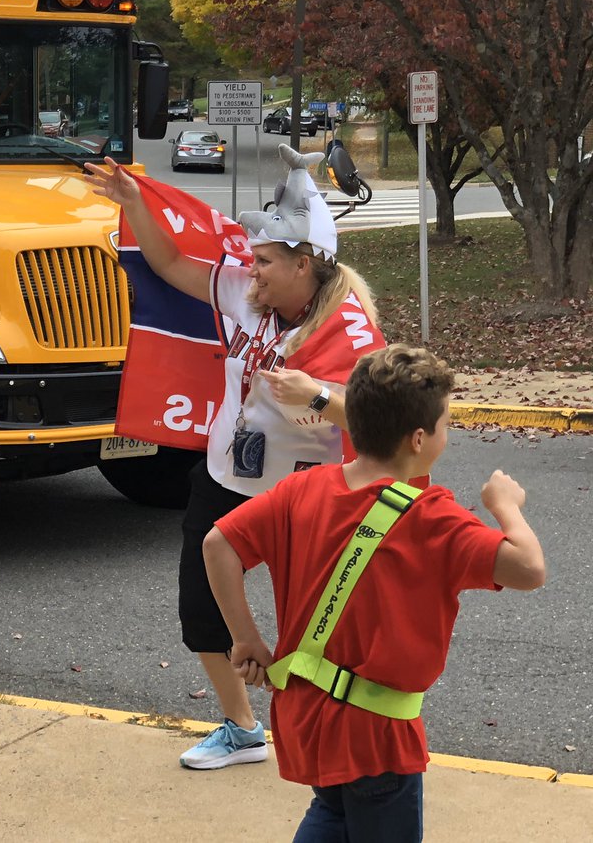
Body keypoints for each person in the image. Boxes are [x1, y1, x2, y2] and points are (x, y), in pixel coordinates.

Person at [85, 154, 383, 770]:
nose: (253, 271)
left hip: (304, 497)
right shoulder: (250, 295)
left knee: (318, 623)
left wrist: (317, 395)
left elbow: (382, 420)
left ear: (304, 263)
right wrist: (135, 201)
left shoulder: (347, 333)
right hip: (226, 475)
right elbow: (168, 265)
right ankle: (242, 727)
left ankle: (329, 731)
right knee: (199, 604)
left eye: (266, 261)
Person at [203, 344, 545, 841]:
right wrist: (506, 505)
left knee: (334, 812)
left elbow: (218, 544)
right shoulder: (433, 519)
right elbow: (530, 568)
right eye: (446, 424)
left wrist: (245, 639)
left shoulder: (302, 490)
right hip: (379, 736)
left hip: (309, 717)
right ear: (420, 438)